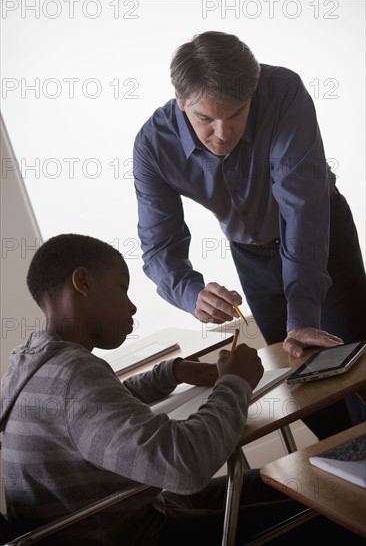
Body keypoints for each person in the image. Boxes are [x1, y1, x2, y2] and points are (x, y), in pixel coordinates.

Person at [1, 233, 360, 546]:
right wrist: (234, 383)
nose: (131, 305)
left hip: (125, 517)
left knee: (287, 478)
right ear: (83, 282)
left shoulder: (34, 364)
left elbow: (99, 409)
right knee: (333, 507)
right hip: (144, 535)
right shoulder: (72, 378)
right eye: (122, 287)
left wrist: (171, 372)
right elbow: (185, 466)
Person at [133, 30, 366, 439]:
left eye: (236, 113)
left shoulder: (284, 92)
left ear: (253, 92)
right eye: (205, 118)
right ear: (179, 96)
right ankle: (339, 474)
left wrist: (303, 314)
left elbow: (302, 209)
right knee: (298, 379)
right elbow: (159, 246)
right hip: (250, 253)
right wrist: (192, 293)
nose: (222, 134)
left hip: (320, 235)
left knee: (351, 365)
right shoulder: (152, 145)